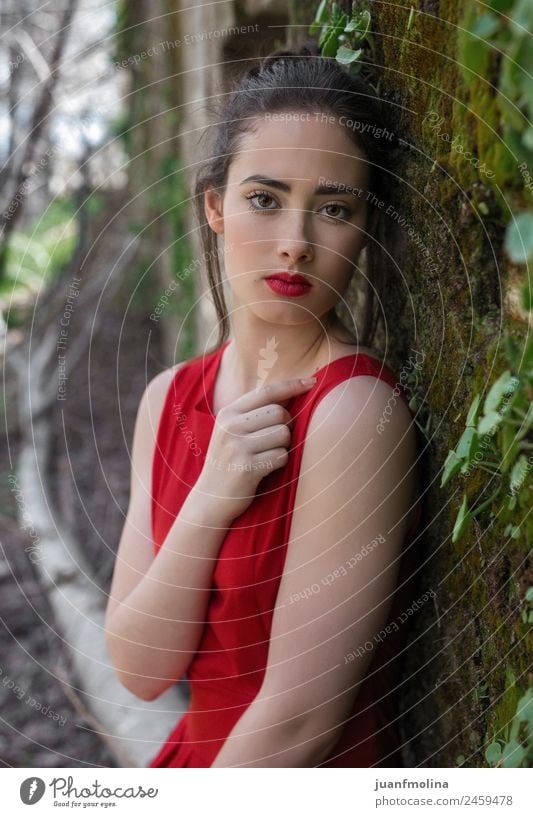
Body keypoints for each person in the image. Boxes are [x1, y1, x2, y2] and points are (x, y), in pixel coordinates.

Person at [104, 42, 424, 768]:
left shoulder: (352, 414)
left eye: (333, 208)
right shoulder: (169, 399)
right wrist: (210, 498)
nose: (294, 244)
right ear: (214, 206)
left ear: (363, 228)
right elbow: (140, 665)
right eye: (264, 199)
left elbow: (297, 723)